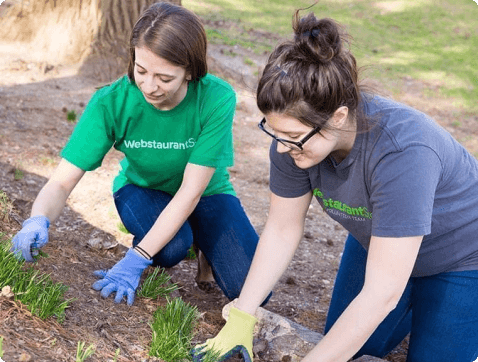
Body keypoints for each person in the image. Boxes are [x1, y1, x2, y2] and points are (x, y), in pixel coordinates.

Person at [192, 8, 478, 362]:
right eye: (274, 132)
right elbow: (282, 229)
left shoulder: (403, 152)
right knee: (351, 346)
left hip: (461, 256)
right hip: (380, 244)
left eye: (293, 137)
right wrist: (242, 315)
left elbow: (381, 293)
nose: (281, 147)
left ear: (338, 116)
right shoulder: (293, 138)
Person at [10, 2, 261, 307]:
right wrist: (37, 220)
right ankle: (189, 238)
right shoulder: (111, 102)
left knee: (253, 289)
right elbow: (61, 182)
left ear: (190, 72)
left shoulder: (216, 98)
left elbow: (191, 193)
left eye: (164, 78)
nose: (149, 86)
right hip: (142, 189)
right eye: (141, 70)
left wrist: (135, 259)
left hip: (205, 193)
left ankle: (205, 246)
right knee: (170, 249)